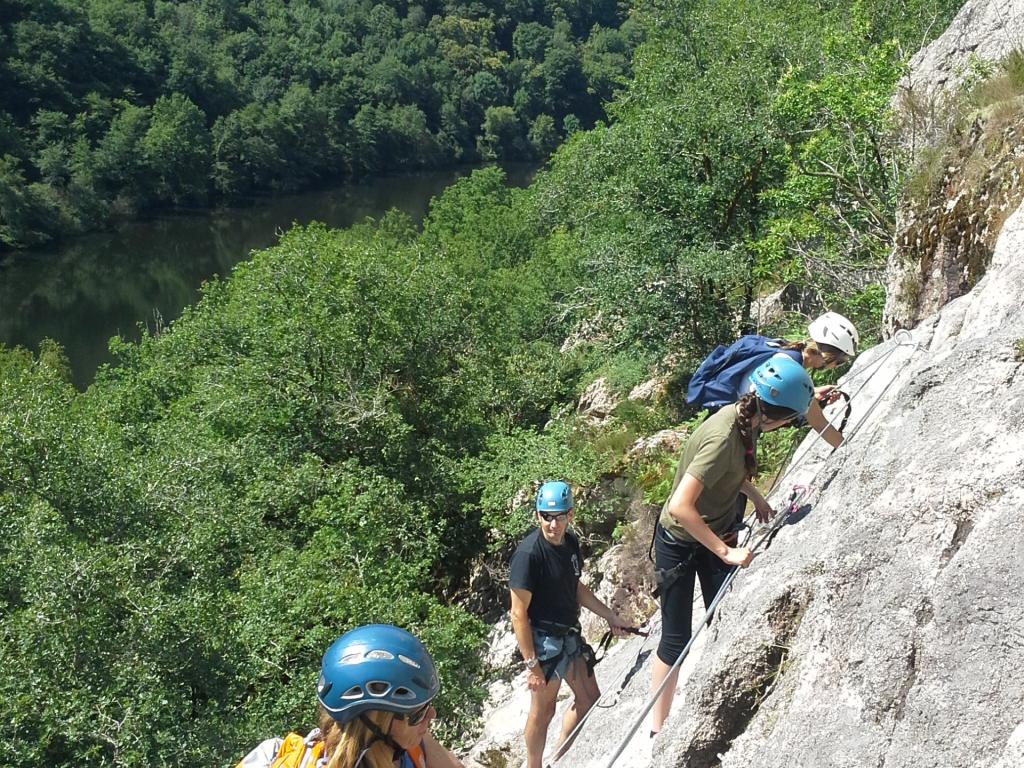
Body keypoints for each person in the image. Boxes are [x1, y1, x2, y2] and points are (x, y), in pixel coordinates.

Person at [649, 356, 814, 736]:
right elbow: (680, 505)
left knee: (723, 615)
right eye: (789, 419)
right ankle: (658, 731)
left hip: (712, 531)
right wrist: (725, 552)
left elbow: (728, 472)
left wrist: (754, 494)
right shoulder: (724, 435)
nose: (788, 426)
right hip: (680, 539)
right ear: (773, 415)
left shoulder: (746, 416)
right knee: (676, 639)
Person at [509, 481, 632, 768]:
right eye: (546, 517)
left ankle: (558, 756)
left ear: (570, 515)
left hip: (569, 634)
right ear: (537, 515)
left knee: (590, 699)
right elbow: (518, 614)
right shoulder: (529, 555)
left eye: (559, 516)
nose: (553, 524)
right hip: (543, 640)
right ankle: (533, 765)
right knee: (543, 711)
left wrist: (610, 616)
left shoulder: (570, 544)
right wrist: (532, 665)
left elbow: (574, 586)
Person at [687, 311, 860, 449]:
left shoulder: (781, 351)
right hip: (729, 438)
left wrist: (812, 394)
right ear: (828, 356)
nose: (837, 366)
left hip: (718, 423)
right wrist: (848, 452)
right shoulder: (791, 372)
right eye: (840, 361)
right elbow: (819, 424)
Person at [315, 624, 463, 768]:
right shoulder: (405, 738)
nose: (432, 714)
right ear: (377, 722)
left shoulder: (409, 740)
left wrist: (416, 717)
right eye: (418, 713)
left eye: (426, 705)